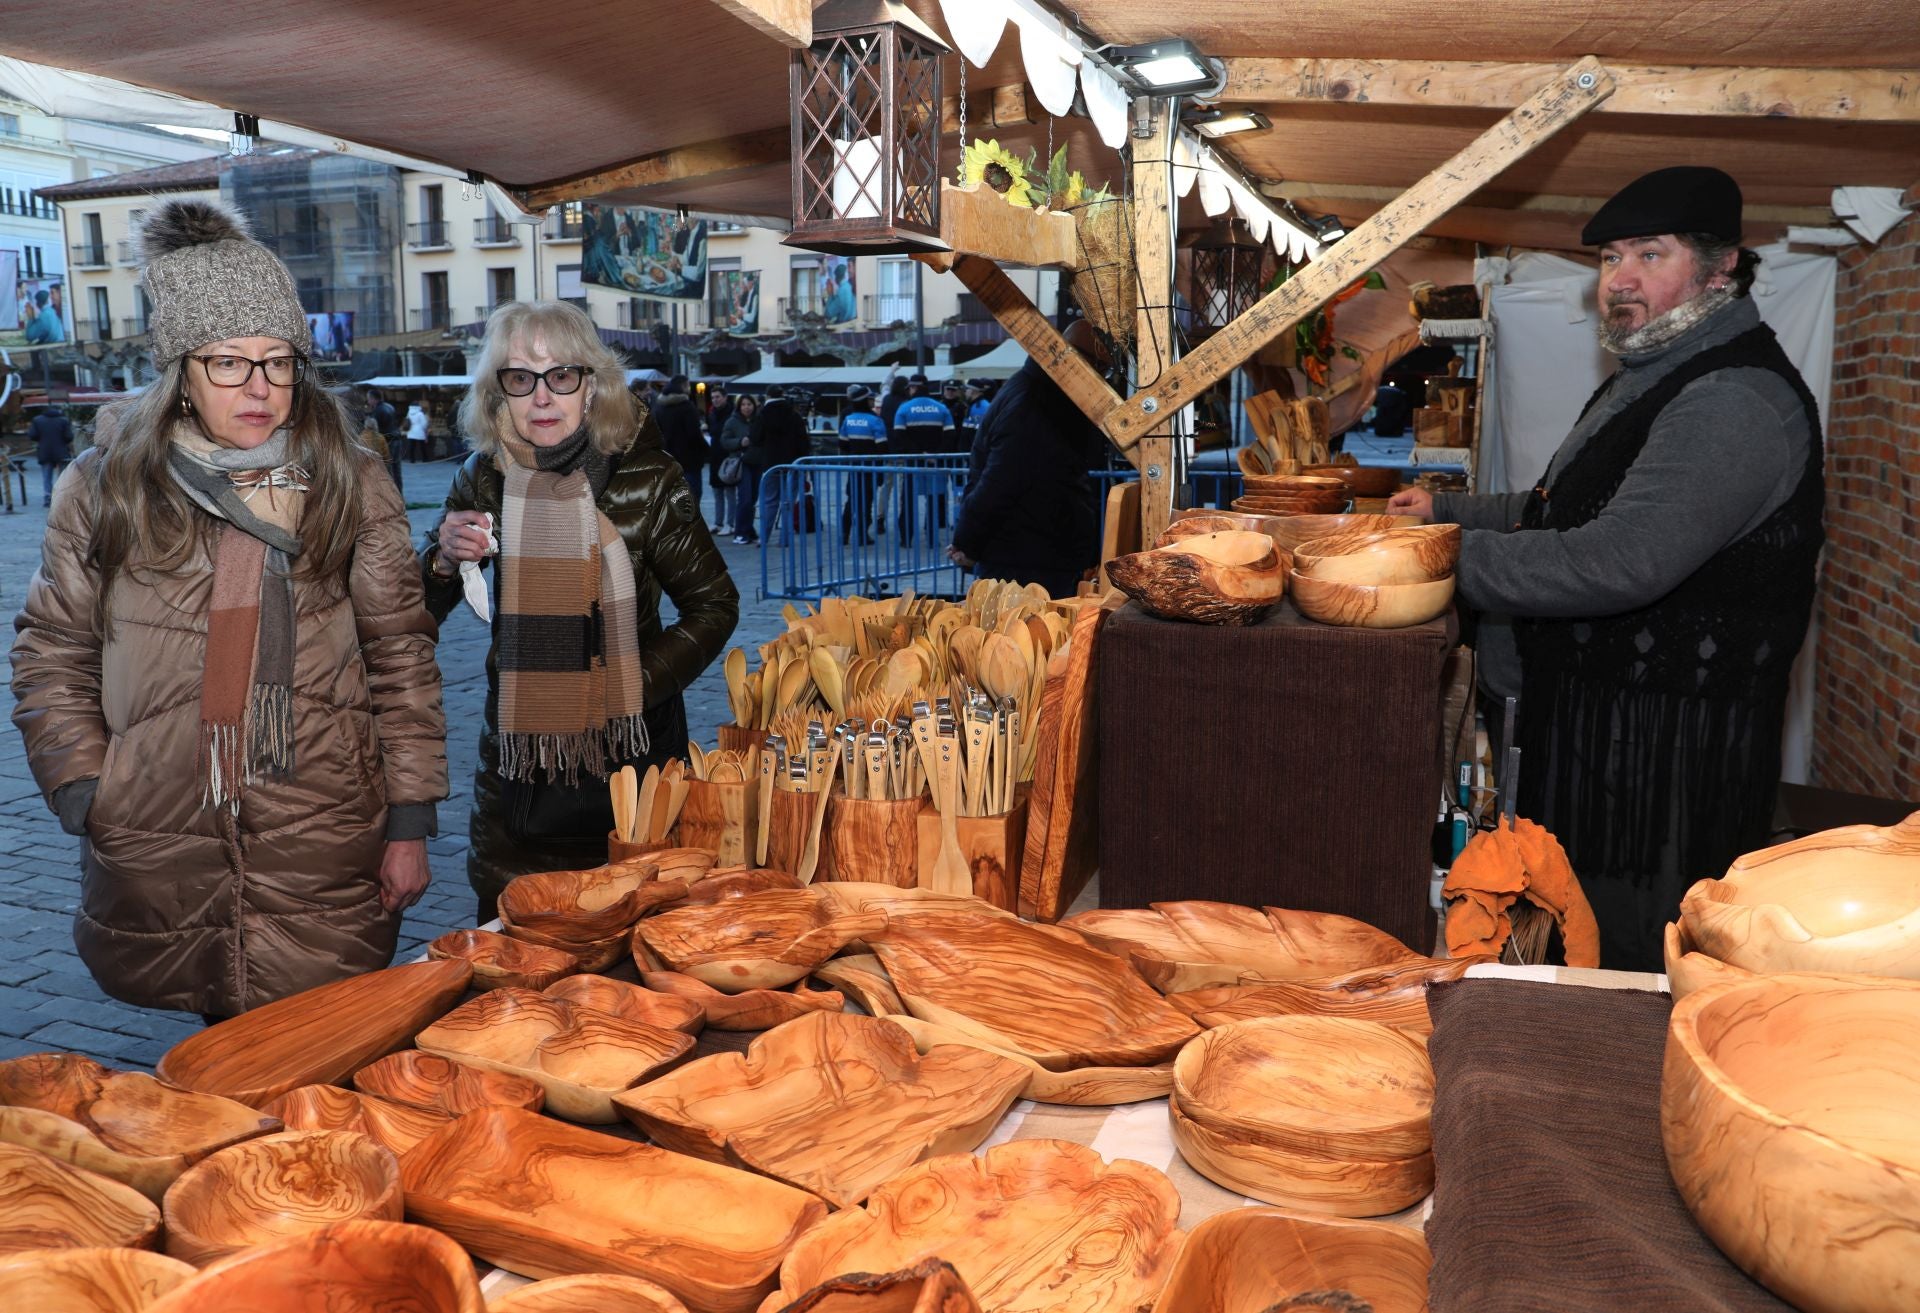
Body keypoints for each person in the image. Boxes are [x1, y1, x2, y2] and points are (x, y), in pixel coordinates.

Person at [10, 197, 446, 1018]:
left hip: (323, 822)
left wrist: (410, 820)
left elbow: (401, 654)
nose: (260, 387)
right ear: (180, 371)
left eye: (279, 361)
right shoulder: (105, 487)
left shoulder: (350, 480)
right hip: (163, 821)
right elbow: (52, 649)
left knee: (323, 1064)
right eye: (229, 362)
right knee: (218, 1077)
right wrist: (86, 787)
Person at [1386, 166, 1823, 971]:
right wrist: (1447, 514)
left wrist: (1437, 560)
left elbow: (1619, 558)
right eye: (1608, 260)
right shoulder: (1654, 374)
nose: (1618, 281)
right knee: (1572, 952)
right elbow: (1565, 505)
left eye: (1649, 256)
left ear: (1720, 266)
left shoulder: (1733, 401)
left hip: (1658, 782)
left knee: (1621, 975)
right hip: (1604, 749)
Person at [422, 301, 738, 917]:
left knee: (635, 954)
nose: (541, 397)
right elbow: (422, 611)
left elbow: (714, 605)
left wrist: (628, 685)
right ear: (499, 393)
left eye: (561, 375)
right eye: (521, 378)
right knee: (515, 950)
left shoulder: (649, 479)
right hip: (517, 779)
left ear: (592, 386)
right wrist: (441, 559)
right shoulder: (481, 478)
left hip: (634, 776)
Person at [949, 319, 1106, 598]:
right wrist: (967, 541)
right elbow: (1000, 481)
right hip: (1027, 559)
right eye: (1100, 367)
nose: (1102, 376)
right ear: (1077, 362)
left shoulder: (1035, 393)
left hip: (1031, 552)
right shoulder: (1037, 403)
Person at [737, 385, 809, 546]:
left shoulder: (763, 415)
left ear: (768, 396)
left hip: (771, 464)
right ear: (782, 395)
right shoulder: (794, 414)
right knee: (789, 502)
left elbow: (755, 438)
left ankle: (764, 537)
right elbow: (804, 441)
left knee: (770, 502)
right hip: (793, 464)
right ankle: (785, 539)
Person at [891, 379, 956, 545]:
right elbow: (950, 436)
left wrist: (919, 454)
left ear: (913, 388)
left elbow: (899, 437)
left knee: (908, 501)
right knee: (934, 500)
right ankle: (932, 539)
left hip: (913, 463)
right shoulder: (942, 408)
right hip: (936, 462)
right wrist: (936, 454)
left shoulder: (904, 408)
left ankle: (906, 538)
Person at [650, 373, 708, 513]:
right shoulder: (687, 407)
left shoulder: (658, 407)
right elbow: (694, 434)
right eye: (688, 385)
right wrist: (706, 450)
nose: (689, 388)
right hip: (689, 461)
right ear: (683, 386)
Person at [838, 383, 887, 545]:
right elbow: (882, 448)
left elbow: (843, 444)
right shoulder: (875, 421)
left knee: (851, 500)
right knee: (866, 502)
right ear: (865, 401)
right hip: (870, 467)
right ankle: (862, 535)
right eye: (871, 399)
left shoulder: (848, 419)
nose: (873, 402)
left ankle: (844, 534)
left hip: (854, 466)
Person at [714, 392, 755, 538]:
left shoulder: (757, 420)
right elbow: (724, 441)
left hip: (755, 462)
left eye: (749, 404)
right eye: (743, 404)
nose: (746, 407)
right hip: (740, 462)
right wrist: (739, 442)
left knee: (753, 498)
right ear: (739, 406)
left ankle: (748, 528)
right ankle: (740, 530)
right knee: (745, 498)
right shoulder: (732, 421)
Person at [29, 403, 72, 507]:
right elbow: (69, 437)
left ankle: (48, 497)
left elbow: (32, 435)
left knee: (47, 476)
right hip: (61, 451)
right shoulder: (63, 420)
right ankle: (61, 497)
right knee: (62, 476)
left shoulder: (37, 420)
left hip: (45, 451)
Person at [704, 383, 733, 533]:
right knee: (717, 491)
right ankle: (718, 522)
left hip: (727, 456)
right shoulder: (712, 413)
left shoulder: (731, 413)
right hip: (715, 455)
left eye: (717, 397)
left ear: (725, 397)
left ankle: (730, 523)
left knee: (729, 491)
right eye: (713, 397)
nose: (715, 400)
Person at [365, 385, 403, 487]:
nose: (368, 402)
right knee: (397, 469)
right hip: (397, 439)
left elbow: (376, 429)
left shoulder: (378, 411)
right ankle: (399, 494)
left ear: (373, 399)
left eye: (368, 399)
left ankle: (391, 494)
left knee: (387, 469)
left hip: (388, 441)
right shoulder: (390, 406)